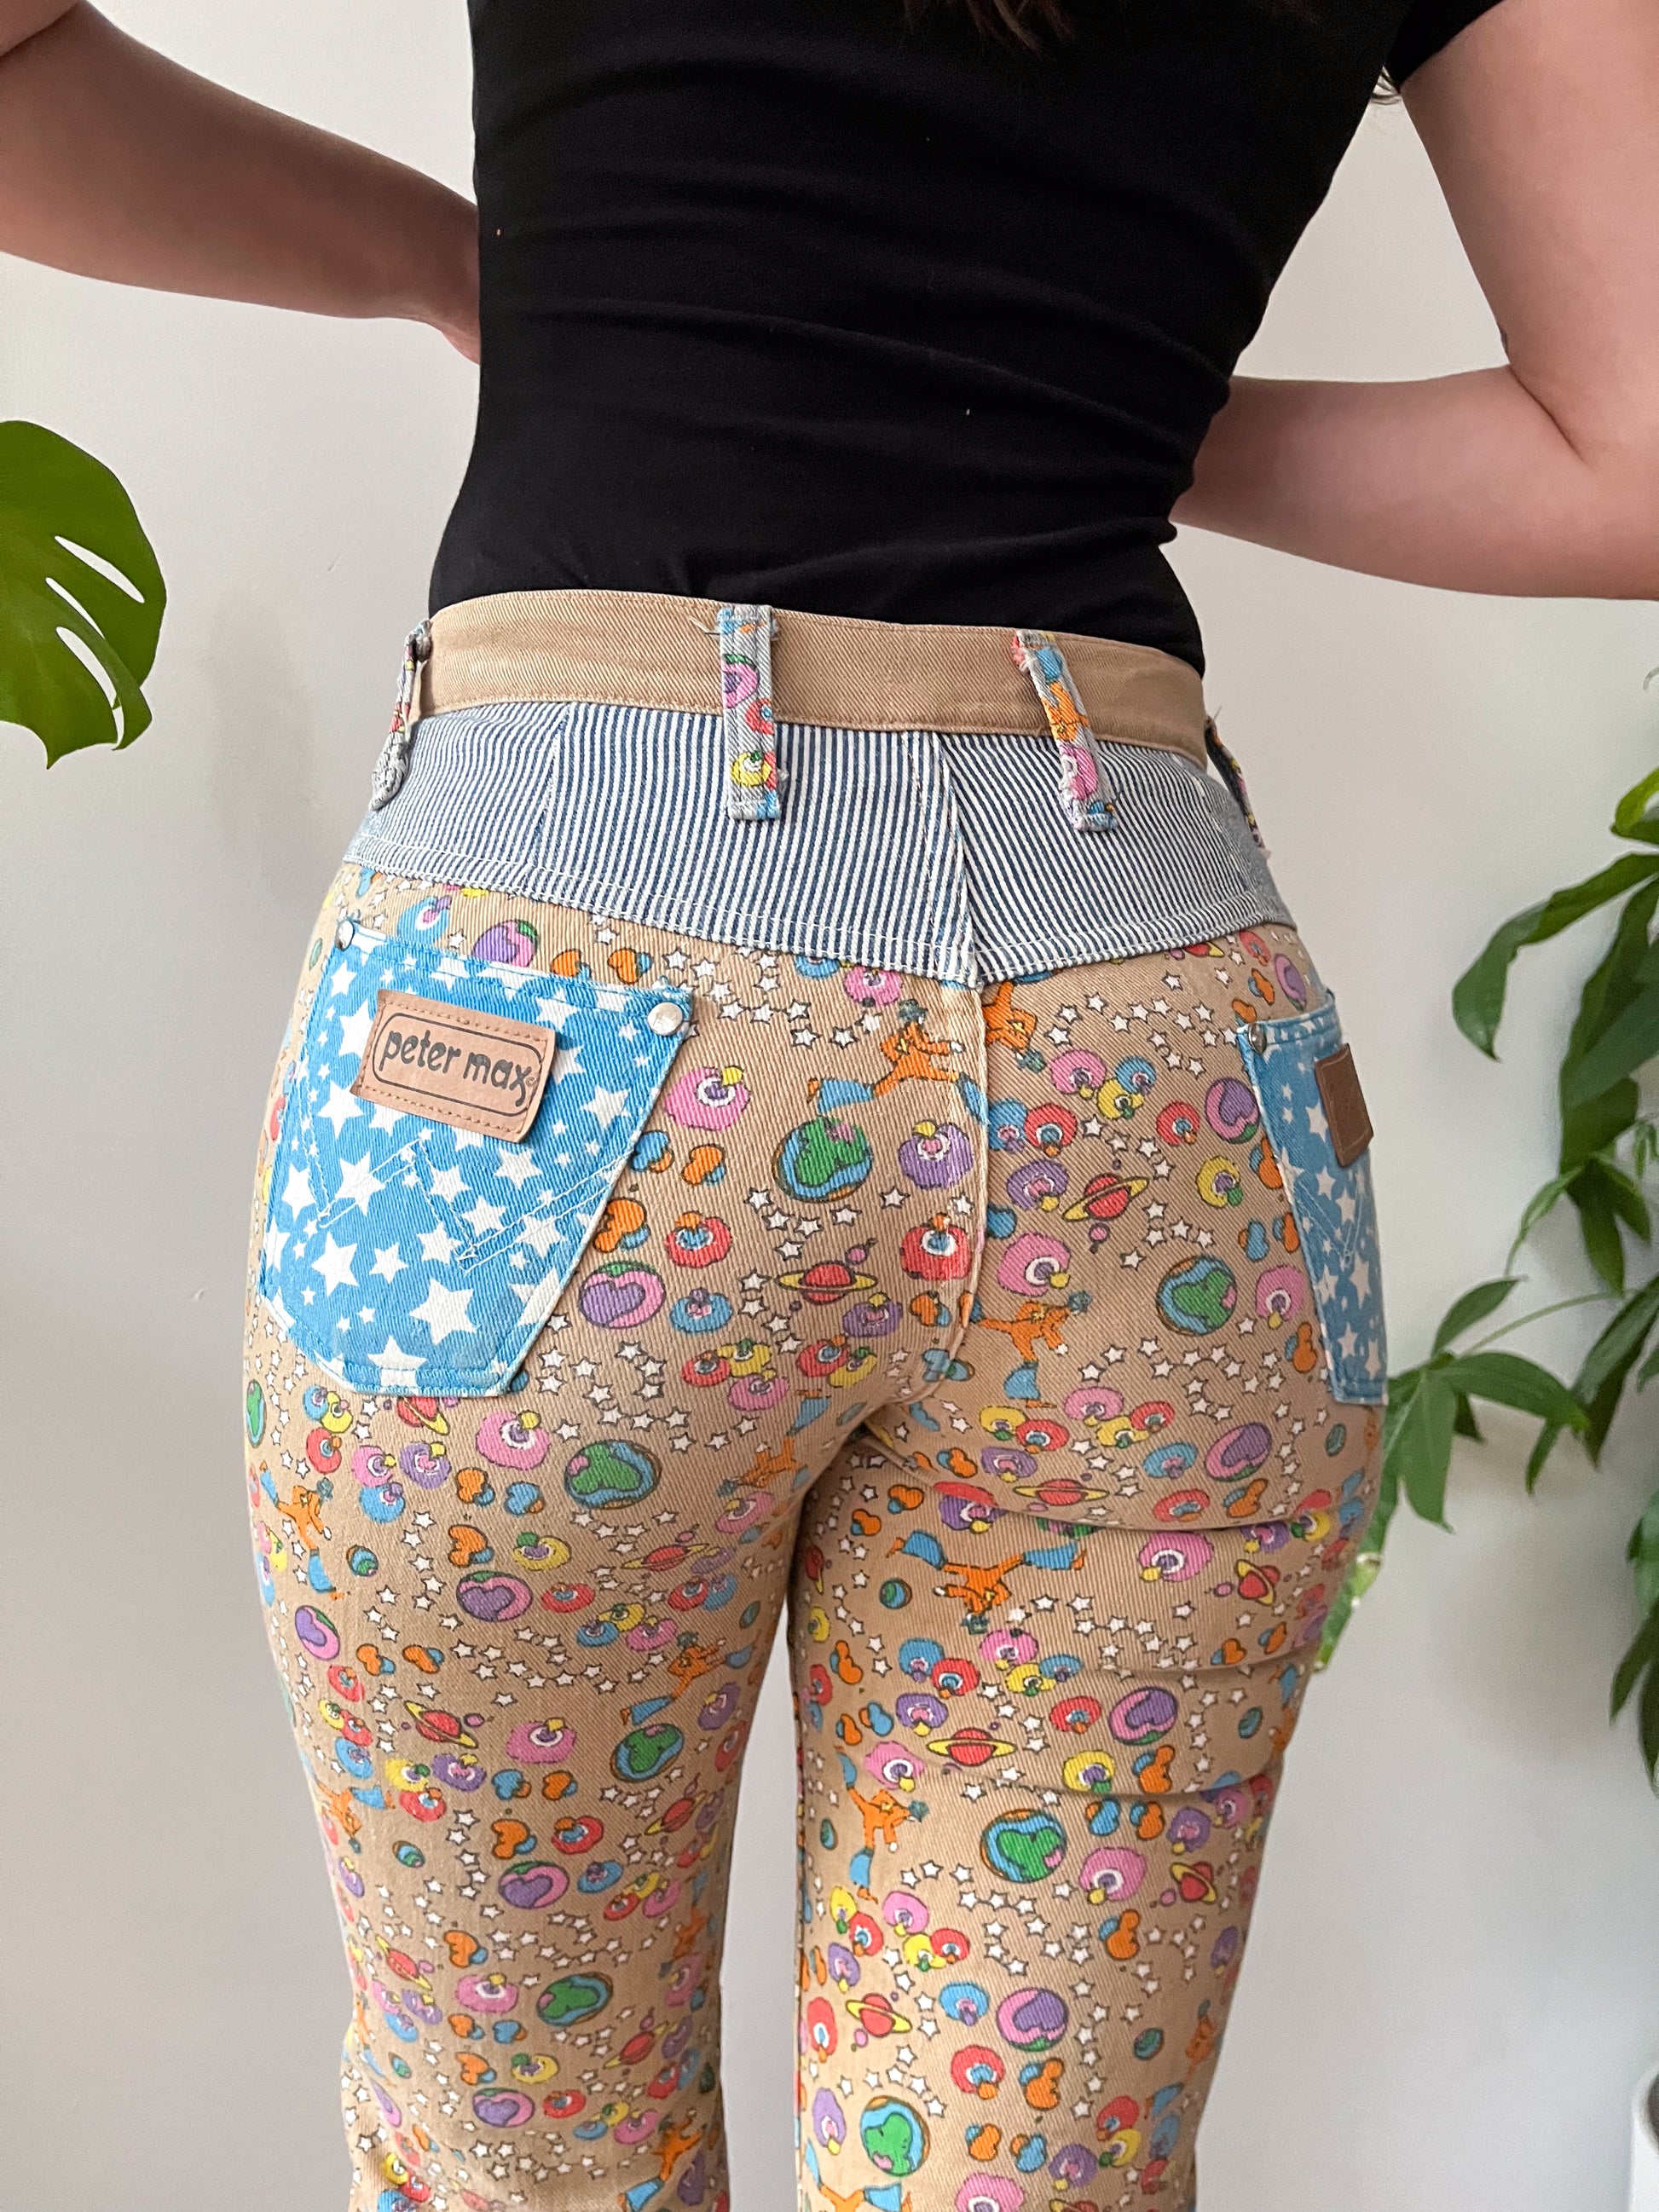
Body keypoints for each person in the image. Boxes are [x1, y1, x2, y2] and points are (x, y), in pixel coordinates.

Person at [3, 4, 1653, 2210]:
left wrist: (449, 258)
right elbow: (1637, 448)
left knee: (525, 2160)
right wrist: (1120, 411)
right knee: (1025, 2180)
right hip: (1153, 1068)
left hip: (542, 1034)